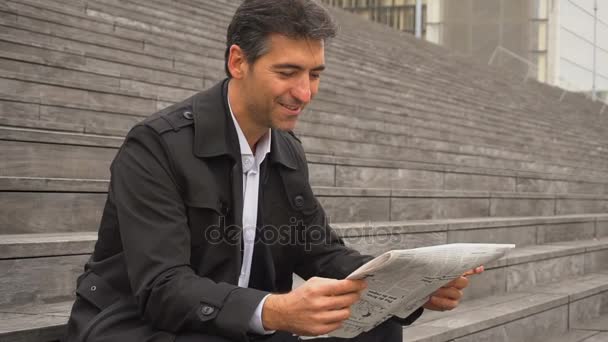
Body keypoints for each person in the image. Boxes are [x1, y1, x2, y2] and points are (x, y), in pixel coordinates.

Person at [64, 0, 482, 341]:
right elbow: (163, 287)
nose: (305, 93)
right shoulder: (156, 145)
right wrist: (274, 309)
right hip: (139, 322)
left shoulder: (285, 148)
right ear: (237, 61)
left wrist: (409, 286)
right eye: (288, 72)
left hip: (236, 321)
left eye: (314, 74)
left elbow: (319, 250)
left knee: (379, 328)